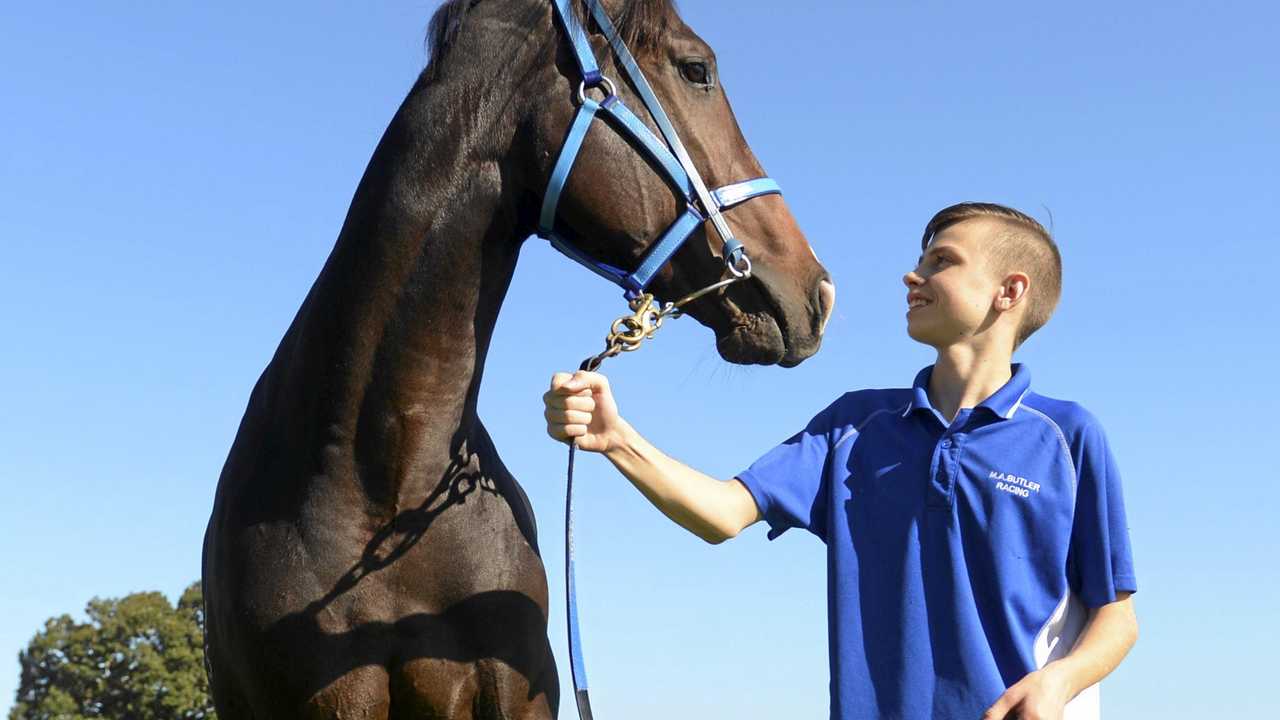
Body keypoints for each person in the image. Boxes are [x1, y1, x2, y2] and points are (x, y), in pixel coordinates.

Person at [543, 202, 1138, 720]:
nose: (914, 273)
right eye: (921, 259)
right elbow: (722, 514)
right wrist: (616, 438)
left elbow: (1117, 616)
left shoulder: (1068, 437)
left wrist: (1058, 683)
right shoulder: (854, 426)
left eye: (942, 261)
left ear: (1009, 292)